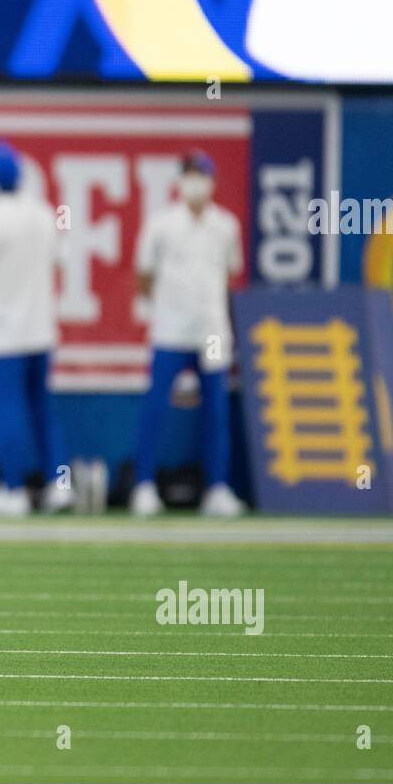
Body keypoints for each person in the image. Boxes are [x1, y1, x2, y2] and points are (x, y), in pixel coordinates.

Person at [0, 140, 70, 516]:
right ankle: (60, 485)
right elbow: (58, 263)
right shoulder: (42, 214)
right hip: (40, 329)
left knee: (8, 411)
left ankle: (13, 490)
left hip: (6, 333)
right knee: (42, 409)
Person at [131, 150, 244, 518]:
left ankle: (217, 489)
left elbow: (230, 275)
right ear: (179, 181)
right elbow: (144, 276)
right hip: (170, 329)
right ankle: (144, 486)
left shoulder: (225, 225)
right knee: (155, 407)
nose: (195, 182)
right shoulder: (161, 224)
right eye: (189, 174)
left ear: (212, 180)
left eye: (201, 174)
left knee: (216, 410)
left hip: (211, 329)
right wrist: (168, 307)